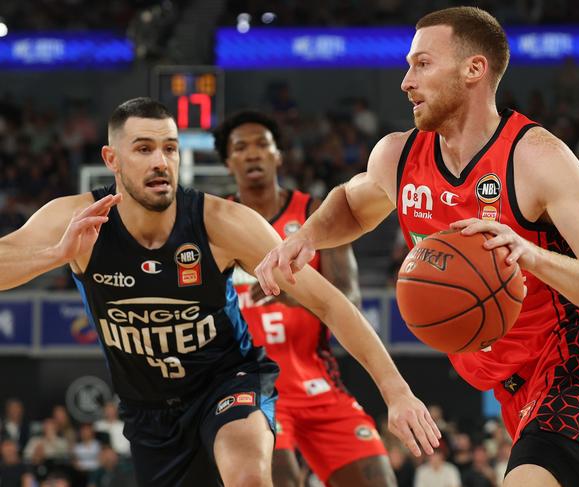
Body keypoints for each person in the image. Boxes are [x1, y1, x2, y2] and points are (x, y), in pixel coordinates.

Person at [255, 7, 579, 487]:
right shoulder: (398, 155)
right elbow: (353, 206)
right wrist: (306, 236)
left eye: (422, 64)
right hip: (510, 390)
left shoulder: (536, 159)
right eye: (407, 65)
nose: (406, 81)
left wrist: (531, 254)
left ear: (473, 70)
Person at [0, 97, 439, 487]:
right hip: (147, 409)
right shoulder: (77, 220)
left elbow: (330, 301)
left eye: (170, 148)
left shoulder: (220, 223)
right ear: (111, 159)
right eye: (144, 149)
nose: (160, 161)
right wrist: (54, 255)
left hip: (228, 381)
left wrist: (396, 391)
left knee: (248, 475)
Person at [213, 111, 396, 487]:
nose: (252, 154)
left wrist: (294, 296)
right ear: (228, 162)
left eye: (262, 145)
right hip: (251, 385)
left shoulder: (315, 216)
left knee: (379, 479)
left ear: (278, 155)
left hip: (317, 378)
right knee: (280, 477)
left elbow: (350, 299)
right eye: (240, 148)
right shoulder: (216, 222)